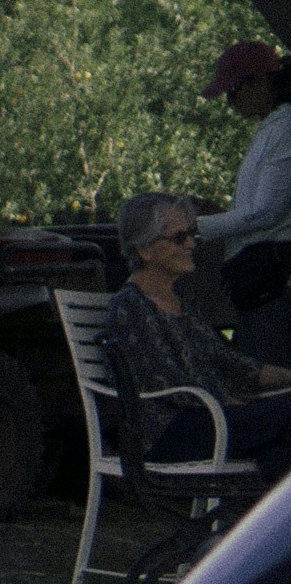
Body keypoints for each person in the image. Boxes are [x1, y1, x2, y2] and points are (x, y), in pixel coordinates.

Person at [105, 192, 291, 474]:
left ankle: (253, 515)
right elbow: (169, 383)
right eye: (180, 238)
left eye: (192, 234)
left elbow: (235, 365)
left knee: (280, 453)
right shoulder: (130, 308)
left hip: (210, 420)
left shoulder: (181, 306)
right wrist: (236, 406)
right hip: (170, 433)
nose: (192, 244)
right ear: (145, 249)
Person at [198, 41, 291, 321]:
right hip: (258, 278)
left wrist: (196, 226)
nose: (230, 102)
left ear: (261, 83)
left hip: (271, 280)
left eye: (233, 91)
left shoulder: (284, 129)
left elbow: (267, 212)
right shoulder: (272, 128)